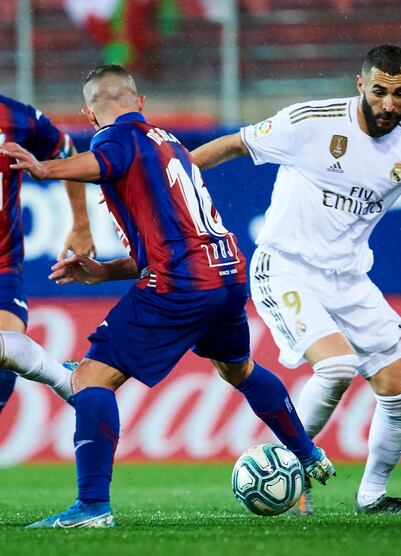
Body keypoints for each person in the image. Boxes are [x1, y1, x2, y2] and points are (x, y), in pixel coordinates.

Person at [0, 64, 335, 529]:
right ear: (140, 101)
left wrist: (45, 168)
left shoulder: (115, 138)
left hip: (183, 284)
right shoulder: (169, 143)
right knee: (237, 368)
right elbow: (164, 242)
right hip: (226, 272)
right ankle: (308, 451)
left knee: (91, 380)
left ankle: (92, 508)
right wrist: (104, 273)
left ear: (90, 113)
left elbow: (101, 163)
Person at [191, 44, 401, 515]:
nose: (388, 104)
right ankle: (292, 467)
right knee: (337, 367)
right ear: (360, 85)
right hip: (285, 267)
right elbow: (233, 145)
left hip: (349, 279)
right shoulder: (311, 122)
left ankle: (373, 496)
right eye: (379, 91)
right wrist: (166, 179)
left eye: (399, 94)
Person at [0, 95, 95, 410]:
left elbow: (66, 151)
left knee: (4, 358)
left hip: (2, 267)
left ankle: (64, 380)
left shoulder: (15, 117)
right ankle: (61, 378)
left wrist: (81, 224)